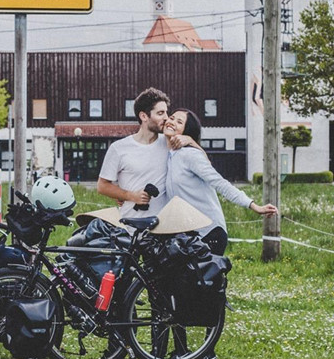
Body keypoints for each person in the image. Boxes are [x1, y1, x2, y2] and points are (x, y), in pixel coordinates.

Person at [163, 108, 278, 255]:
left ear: (187, 131)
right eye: (171, 118)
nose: (172, 122)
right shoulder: (170, 155)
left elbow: (220, 183)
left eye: (179, 122)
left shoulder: (190, 155)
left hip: (208, 233)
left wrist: (254, 206)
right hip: (187, 234)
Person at [97, 88, 202, 218]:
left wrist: (192, 142)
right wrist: (130, 195)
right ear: (144, 116)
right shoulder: (119, 148)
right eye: (160, 113)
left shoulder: (170, 142)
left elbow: (204, 163)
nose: (166, 118)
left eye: (166, 112)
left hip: (166, 224)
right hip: (131, 223)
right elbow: (102, 186)